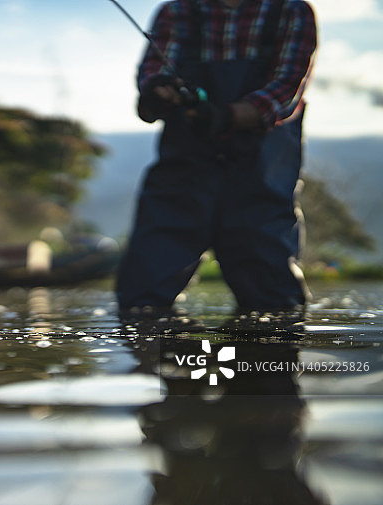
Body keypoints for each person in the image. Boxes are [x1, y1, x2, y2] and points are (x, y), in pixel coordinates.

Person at [116, 0, 318, 331]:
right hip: (182, 178)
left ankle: (266, 375)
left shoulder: (291, 11)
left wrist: (228, 116)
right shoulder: (176, 12)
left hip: (259, 177)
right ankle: (165, 370)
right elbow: (154, 73)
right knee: (141, 302)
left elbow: (285, 91)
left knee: (274, 304)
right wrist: (157, 91)